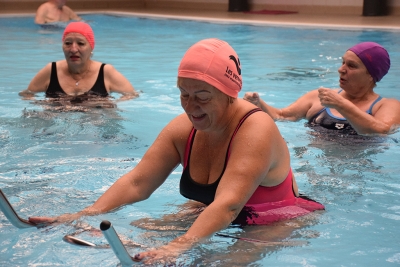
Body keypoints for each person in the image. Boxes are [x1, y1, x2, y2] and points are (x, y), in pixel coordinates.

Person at [29, 38, 324, 264]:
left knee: (217, 262)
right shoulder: (184, 128)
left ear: (229, 93)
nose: (190, 106)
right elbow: (137, 182)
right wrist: (86, 213)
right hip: (212, 210)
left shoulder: (255, 129)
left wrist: (178, 246)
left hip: (273, 219)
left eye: (202, 97)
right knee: (146, 231)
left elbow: (229, 206)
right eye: (183, 94)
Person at [244, 42, 400, 136]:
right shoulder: (317, 98)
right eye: (343, 62)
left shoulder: (386, 106)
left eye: (351, 66)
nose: (341, 69)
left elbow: (383, 131)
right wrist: (259, 104)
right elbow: (282, 116)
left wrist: (341, 105)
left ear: (371, 75)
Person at [19, 21, 138, 106]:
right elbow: (26, 94)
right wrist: (43, 105)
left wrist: (109, 104)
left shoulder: (106, 71)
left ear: (91, 48)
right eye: (68, 43)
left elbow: (132, 95)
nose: (73, 49)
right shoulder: (51, 70)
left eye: (81, 44)